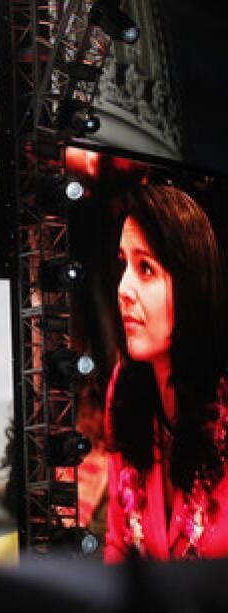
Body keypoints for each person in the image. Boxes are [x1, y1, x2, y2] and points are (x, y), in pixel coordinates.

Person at [105, 184, 228, 562]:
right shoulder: (123, 390)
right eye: (123, 264)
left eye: (146, 268)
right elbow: (117, 544)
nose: (124, 288)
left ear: (192, 286)